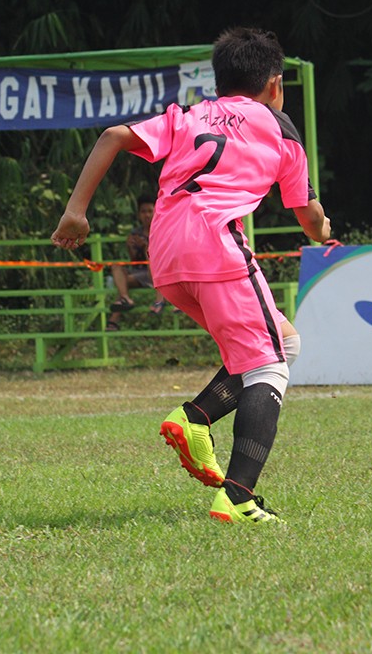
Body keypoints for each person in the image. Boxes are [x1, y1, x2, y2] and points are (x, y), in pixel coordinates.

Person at [52, 27, 331, 524]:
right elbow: (307, 218)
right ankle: (238, 497)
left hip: (165, 255)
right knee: (269, 366)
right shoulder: (279, 126)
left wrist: (76, 212)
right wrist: (323, 227)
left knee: (281, 343)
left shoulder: (189, 114)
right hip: (216, 246)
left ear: (220, 81)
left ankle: (196, 418)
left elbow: (113, 136)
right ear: (275, 84)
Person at [107, 193, 165, 331]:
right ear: (139, 214)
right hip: (139, 273)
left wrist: (146, 247)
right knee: (116, 268)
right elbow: (134, 260)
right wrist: (131, 247)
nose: (147, 215)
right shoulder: (135, 233)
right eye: (143, 212)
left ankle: (114, 320)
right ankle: (125, 298)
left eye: (150, 211)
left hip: (158, 273)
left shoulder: (162, 230)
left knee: (149, 259)